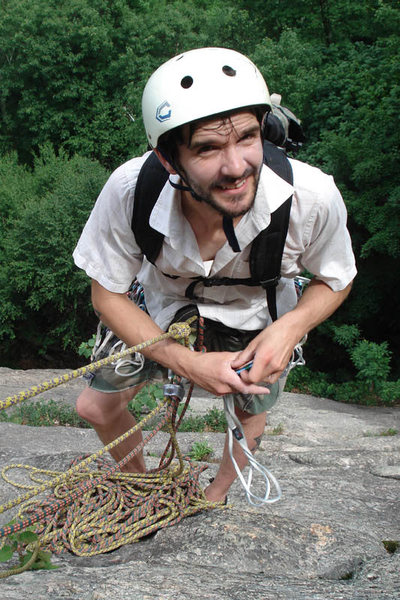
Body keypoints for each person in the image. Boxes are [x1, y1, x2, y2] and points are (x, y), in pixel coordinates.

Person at [73, 47, 356, 504]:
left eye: (248, 137)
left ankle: (216, 495)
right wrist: (185, 363)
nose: (237, 166)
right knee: (95, 407)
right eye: (207, 147)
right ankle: (139, 485)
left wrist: (290, 329)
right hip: (160, 302)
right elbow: (108, 293)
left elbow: (336, 278)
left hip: (255, 313)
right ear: (169, 160)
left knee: (250, 406)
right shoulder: (131, 191)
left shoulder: (311, 197)